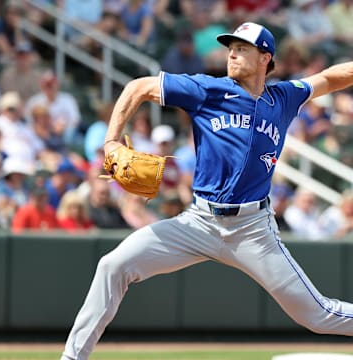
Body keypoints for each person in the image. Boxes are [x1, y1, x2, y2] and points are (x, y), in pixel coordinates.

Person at [60, 22, 353, 360]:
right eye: (231, 47)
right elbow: (137, 87)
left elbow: (330, 78)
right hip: (197, 222)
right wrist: (111, 140)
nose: (232, 53)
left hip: (252, 230)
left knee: (317, 315)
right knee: (113, 266)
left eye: (242, 48)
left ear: (264, 58)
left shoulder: (284, 97)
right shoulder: (207, 90)